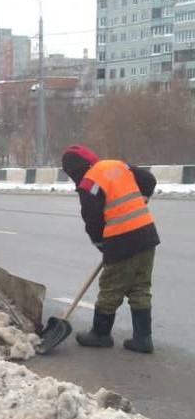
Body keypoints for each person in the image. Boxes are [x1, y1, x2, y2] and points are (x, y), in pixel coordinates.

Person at [61, 144, 159, 353]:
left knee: (110, 288)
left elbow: (93, 221)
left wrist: (101, 244)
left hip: (122, 240)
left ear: (75, 171)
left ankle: (100, 334)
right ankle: (143, 339)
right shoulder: (118, 165)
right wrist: (144, 199)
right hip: (147, 235)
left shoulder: (89, 183)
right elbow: (149, 180)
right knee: (140, 287)